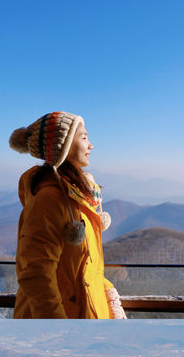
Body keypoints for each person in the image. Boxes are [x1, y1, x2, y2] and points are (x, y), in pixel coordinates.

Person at [9, 111, 125, 320]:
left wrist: (109, 297)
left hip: (84, 319)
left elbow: (86, 268)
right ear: (62, 147)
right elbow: (36, 274)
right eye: (84, 137)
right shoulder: (50, 200)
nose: (91, 145)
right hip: (62, 326)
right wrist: (59, 329)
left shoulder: (79, 198)